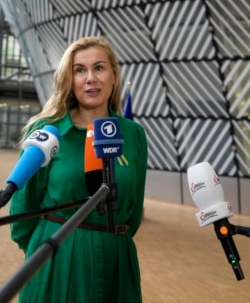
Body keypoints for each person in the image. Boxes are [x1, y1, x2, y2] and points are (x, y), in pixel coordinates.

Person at [9, 36, 148, 302]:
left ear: (113, 76)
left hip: (116, 260)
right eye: (79, 70)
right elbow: (23, 210)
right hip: (57, 257)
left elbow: (133, 211)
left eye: (99, 68)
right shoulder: (48, 133)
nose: (90, 78)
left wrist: (111, 241)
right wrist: (49, 250)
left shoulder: (134, 135)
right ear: (69, 81)